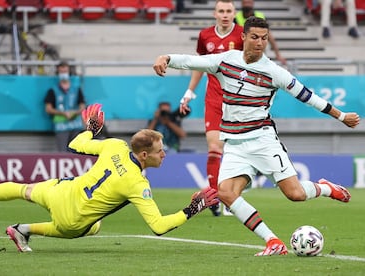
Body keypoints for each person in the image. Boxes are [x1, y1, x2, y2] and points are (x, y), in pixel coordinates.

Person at [152, 16, 360, 256]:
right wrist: (166, 57)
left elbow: (307, 96)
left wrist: (341, 116)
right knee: (227, 193)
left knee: (295, 194)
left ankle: (325, 188)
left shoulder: (273, 72)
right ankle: (272, 241)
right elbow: (193, 61)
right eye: (254, 37)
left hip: (262, 140)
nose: (260, 43)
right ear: (243, 37)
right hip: (234, 143)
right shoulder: (225, 61)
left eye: (264, 38)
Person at [0, 103, 218, 252]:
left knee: (23, 189)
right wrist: (192, 209)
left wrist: (90, 130)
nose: (164, 154)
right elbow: (159, 227)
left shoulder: (115, 145)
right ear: (143, 155)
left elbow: (75, 144)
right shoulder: (138, 184)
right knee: (90, 226)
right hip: (72, 220)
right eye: (159, 150)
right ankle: (23, 230)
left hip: (61, 191)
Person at [180, 0, 243, 216]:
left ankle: (232, 197)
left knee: (238, 151)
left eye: (229, 11)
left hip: (238, 102)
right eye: (221, 11)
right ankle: (214, 197)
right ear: (215, 14)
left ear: (234, 14)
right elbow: (200, 64)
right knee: (215, 147)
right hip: (214, 101)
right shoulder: (205, 36)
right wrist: (189, 92)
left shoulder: (243, 35)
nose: (225, 15)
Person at [44, 61, 86, 152]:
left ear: (69, 72)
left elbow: (82, 106)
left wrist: (74, 112)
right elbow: (48, 108)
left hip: (76, 125)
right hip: (61, 125)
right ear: (58, 73)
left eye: (65, 72)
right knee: (62, 152)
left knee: (76, 152)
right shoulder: (53, 90)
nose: (63, 74)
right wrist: (62, 113)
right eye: (61, 72)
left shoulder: (76, 89)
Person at [235, 0, 286, 65]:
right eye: (245, 2)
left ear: (253, 3)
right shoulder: (236, 17)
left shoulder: (260, 16)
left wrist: (278, 55)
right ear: (242, 3)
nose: (247, 5)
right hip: (242, 53)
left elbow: (270, 36)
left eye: (249, 2)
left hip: (258, 56)